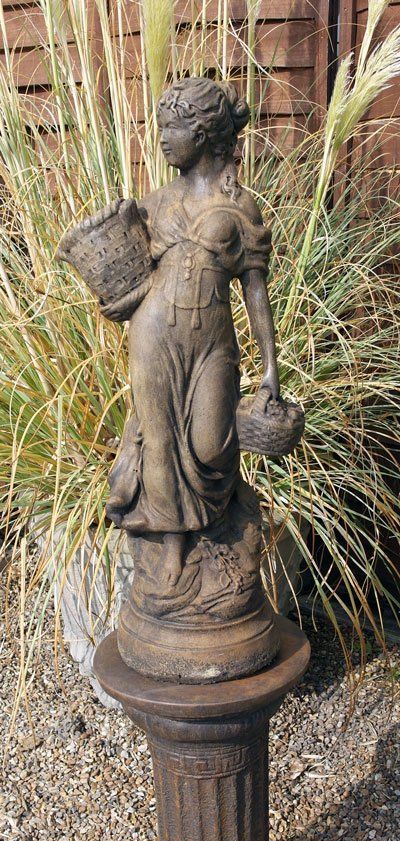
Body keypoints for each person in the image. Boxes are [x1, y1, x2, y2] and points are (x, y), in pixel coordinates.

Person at [106, 77, 280, 587]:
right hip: (153, 337)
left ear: (202, 134)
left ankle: (223, 520)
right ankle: (173, 549)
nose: (160, 137)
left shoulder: (240, 207)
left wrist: (270, 367)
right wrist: (118, 301)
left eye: (171, 127)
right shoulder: (153, 205)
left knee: (209, 445)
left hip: (211, 347)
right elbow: (130, 281)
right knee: (157, 442)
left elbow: (255, 291)